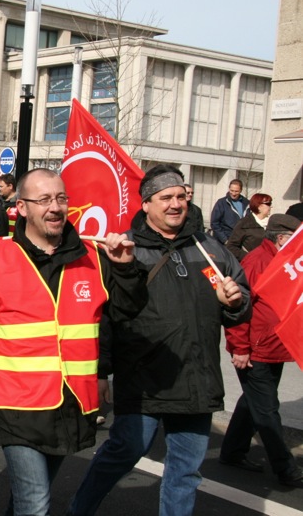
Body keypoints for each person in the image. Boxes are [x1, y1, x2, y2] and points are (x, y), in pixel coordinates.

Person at [0, 168, 147, 516]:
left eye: (61, 198)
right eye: (43, 200)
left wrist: (126, 268)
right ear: (22, 207)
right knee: (36, 504)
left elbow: (125, 311)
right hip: (17, 407)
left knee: (28, 500)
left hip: (71, 404)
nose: (55, 207)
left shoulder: (94, 258)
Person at [69, 164, 250, 516]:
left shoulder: (211, 248)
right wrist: (101, 371)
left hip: (198, 380)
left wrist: (236, 301)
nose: (176, 204)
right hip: (143, 381)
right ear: (146, 204)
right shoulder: (124, 250)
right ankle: (80, 509)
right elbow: (104, 315)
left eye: (181, 196)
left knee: (185, 471)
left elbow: (240, 302)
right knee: (121, 454)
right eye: (166, 197)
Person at [219, 213, 303, 486]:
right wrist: (240, 348)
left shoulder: (283, 261)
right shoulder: (257, 261)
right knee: (267, 408)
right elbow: (236, 309)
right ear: (282, 238)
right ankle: (286, 469)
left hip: (274, 347)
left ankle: (232, 451)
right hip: (255, 349)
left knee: (254, 400)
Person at [226, 193, 272, 261]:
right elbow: (231, 246)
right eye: (268, 204)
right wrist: (249, 257)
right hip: (250, 264)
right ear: (259, 206)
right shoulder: (244, 223)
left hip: (267, 264)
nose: (270, 207)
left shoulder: (272, 224)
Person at [211, 178, 249, 243]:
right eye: (232, 190)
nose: (233, 193)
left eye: (236, 191)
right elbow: (215, 223)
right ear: (229, 189)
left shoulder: (247, 203)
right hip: (225, 240)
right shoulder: (221, 203)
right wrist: (224, 240)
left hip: (240, 240)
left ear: (241, 190)